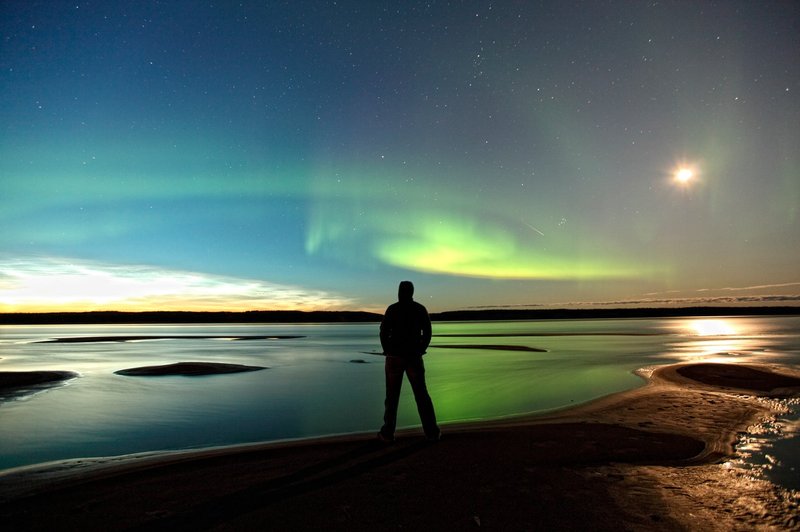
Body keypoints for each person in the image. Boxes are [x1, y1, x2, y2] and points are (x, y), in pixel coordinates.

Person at [378, 280, 440, 442]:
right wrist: (421, 348)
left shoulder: (392, 309)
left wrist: (387, 350)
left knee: (392, 397)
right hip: (413, 356)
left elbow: (383, 331)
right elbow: (427, 332)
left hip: (396, 357)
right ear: (412, 292)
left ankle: (388, 433)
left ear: (399, 292)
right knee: (421, 395)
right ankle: (432, 432)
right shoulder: (419, 309)